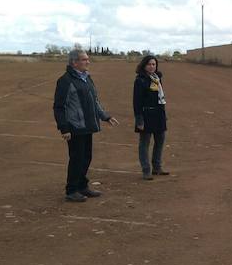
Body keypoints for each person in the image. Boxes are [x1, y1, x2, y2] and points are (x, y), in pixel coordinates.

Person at [53, 49, 119, 202]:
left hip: (88, 125)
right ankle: (71, 190)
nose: (88, 62)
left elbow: (95, 102)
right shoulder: (65, 81)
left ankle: (82, 186)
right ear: (74, 62)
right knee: (77, 158)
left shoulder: (87, 78)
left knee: (86, 158)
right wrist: (64, 128)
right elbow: (59, 107)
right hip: (75, 127)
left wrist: (105, 116)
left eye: (87, 59)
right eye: (84, 60)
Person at [133, 54, 169, 180]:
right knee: (144, 144)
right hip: (146, 114)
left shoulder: (157, 78)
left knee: (160, 141)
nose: (152, 66)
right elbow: (136, 102)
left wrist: (164, 114)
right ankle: (146, 170)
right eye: (149, 64)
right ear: (144, 65)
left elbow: (160, 98)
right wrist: (139, 119)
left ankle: (157, 167)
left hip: (159, 114)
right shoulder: (140, 80)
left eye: (154, 64)